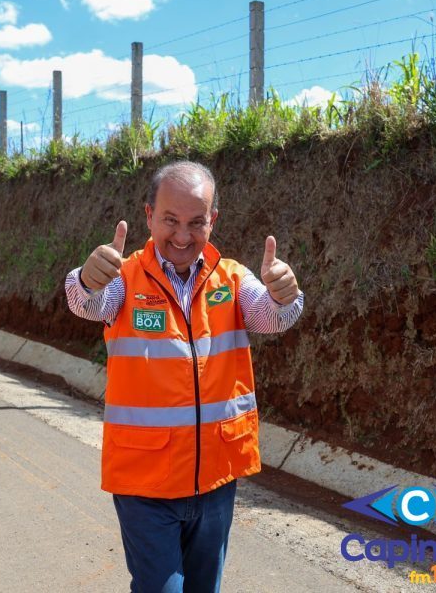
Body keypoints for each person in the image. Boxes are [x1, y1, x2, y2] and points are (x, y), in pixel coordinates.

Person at [64, 161, 304, 593]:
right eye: (170, 221)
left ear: (213, 221)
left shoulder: (232, 278)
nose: (181, 236)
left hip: (214, 481)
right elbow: (89, 303)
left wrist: (283, 296)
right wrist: (86, 280)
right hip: (145, 484)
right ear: (148, 216)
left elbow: (269, 315)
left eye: (196, 223)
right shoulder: (124, 278)